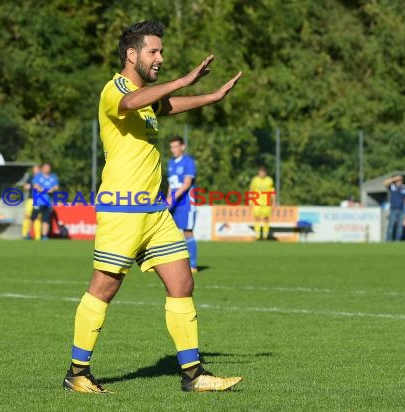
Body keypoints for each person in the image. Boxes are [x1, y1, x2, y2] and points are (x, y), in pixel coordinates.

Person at [63, 21, 243, 394]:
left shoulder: (146, 100)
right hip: (122, 210)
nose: (160, 58)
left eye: (161, 52)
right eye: (153, 52)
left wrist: (210, 97)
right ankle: (77, 373)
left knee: (182, 283)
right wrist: (184, 79)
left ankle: (194, 375)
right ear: (132, 55)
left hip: (155, 212)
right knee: (103, 288)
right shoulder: (115, 90)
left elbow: (165, 105)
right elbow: (132, 102)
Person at [166, 136, 198, 273]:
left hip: (186, 203)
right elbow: (171, 184)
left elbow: (186, 184)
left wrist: (171, 199)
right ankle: (171, 263)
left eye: (176, 146)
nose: (173, 149)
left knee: (188, 232)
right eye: (171, 147)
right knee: (169, 232)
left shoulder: (188, 162)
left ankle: (193, 265)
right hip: (174, 201)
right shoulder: (171, 163)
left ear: (183, 147)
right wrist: (168, 198)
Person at [32, 163, 59, 240]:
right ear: (42, 168)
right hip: (38, 201)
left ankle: (44, 235)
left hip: (48, 202)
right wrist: (47, 190)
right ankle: (31, 234)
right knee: (34, 218)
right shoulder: (38, 176)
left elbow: (56, 187)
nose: (47, 169)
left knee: (46, 219)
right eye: (45, 167)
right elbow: (36, 187)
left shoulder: (53, 177)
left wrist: (51, 189)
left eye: (48, 167)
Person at [249, 166, 276, 240]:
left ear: (266, 173)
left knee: (266, 218)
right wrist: (250, 201)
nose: (262, 173)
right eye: (261, 172)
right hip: (257, 202)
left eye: (263, 172)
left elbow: (272, 191)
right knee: (257, 218)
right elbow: (251, 190)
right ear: (258, 172)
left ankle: (265, 236)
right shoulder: (255, 180)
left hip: (266, 202)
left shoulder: (269, 180)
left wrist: (274, 201)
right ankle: (257, 236)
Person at [384, 175, 405, 241]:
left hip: (401, 209)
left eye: (400, 180)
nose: (399, 182)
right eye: (397, 181)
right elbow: (385, 183)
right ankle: (388, 240)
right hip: (393, 209)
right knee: (391, 225)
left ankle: (397, 241)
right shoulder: (393, 186)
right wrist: (393, 178)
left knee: (400, 226)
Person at [19, 165, 42, 239]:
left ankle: (37, 236)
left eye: (36, 169)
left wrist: (33, 186)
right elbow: (25, 187)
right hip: (30, 199)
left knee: (37, 218)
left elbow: (41, 188)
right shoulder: (31, 177)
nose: (35, 171)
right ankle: (25, 234)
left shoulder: (42, 178)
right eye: (34, 169)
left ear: (39, 170)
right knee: (27, 216)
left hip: (39, 199)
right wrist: (28, 186)